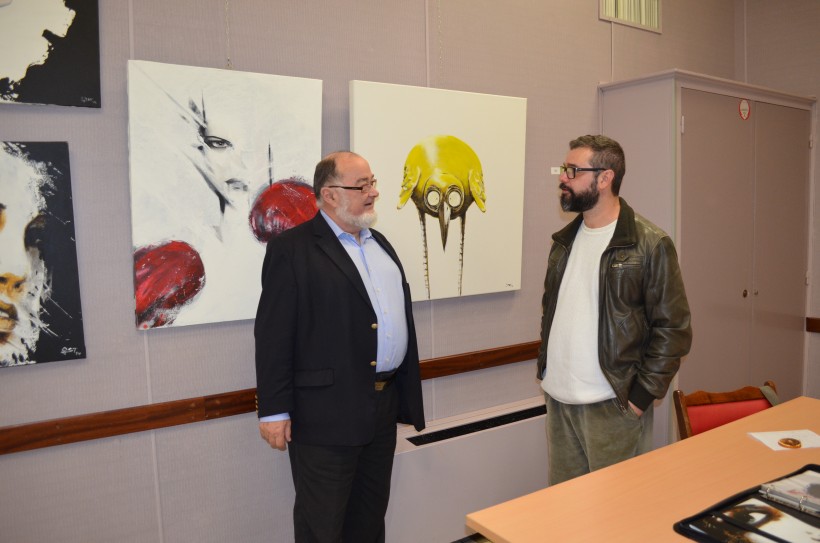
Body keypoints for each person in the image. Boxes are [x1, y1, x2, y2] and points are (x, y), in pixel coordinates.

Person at [254, 151, 425, 542]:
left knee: (368, 520)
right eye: (361, 185)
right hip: (324, 415)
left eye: (372, 182)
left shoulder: (380, 245)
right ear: (329, 195)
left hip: (380, 406)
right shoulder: (293, 249)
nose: (373, 192)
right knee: (323, 526)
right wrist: (274, 410)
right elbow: (273, 335)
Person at [537, 135, 692, 485]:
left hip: (614, 405)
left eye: (572, 170)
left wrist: (639, 398)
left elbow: (675, 330)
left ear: (605, 178)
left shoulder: (650, 244)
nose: (563, 177)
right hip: (560, 402)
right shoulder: (563, 242)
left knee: (615, 517)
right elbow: (552, 313)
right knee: (565, 515)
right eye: (563, 169)